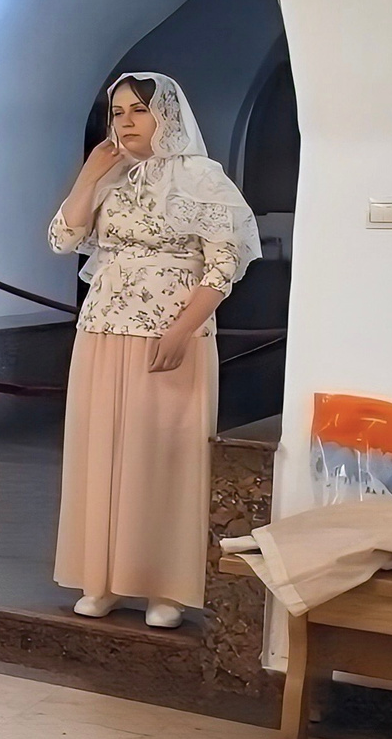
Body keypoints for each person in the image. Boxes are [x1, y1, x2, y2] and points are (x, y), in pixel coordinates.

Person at [50, 72, 257, 630]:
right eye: (118, 112)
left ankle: (165, 586)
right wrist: (91, 173)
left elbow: (222, 267)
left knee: (164, 455)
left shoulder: (204, 179)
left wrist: (182, 329)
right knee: (103, 451)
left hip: (170, 335)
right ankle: (103, 579)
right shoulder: (114, 177)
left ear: (168, 113)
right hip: (101, 331)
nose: (126, 122)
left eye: (138, 110)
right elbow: (62, 238)